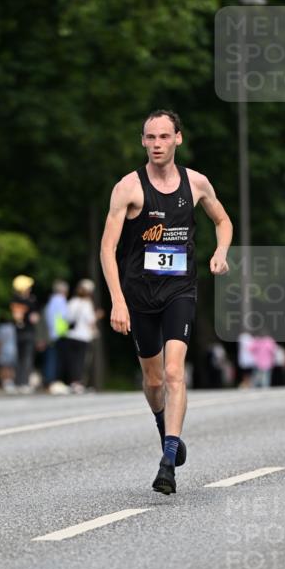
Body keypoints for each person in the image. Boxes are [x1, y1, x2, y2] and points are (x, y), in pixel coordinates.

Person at [100, 108, 233, 495]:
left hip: (180, 290)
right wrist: (117, 301)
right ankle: (165, 429)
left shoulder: (196, 183)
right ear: (143, 141)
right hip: (139, 295)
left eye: (164, 136)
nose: (157, 144)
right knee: (154, 380)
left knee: (174, 372)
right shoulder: (128, 187)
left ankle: (167, 462)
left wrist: (221, 252)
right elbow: (107, 249)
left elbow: (223, 221)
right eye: (150, 137)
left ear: (178, 138)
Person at [64, 279, 102, 393]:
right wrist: (97, 316)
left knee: (72, 360)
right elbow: (90, 320)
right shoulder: (87, 303)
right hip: (83, 336)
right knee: (81, 360)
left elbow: (67, 317)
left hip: (71, 334)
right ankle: (78, 383)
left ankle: (72, 382)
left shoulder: (72, 301)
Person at [10, 274, 40, 393]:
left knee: (19, 358)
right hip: (28, 332)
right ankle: (24, 383)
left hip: (18, 332)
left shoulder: (14, 301)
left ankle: (18, 383)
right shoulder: (31, 301)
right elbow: (34, 318)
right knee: (27, 358)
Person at [42, 279, 70, 386]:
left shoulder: (51, 301)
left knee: (51, 357)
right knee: (56, 359)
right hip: (60, 333)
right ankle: (53, 380)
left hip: (52, 333)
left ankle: (49, 380)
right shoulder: (60, 300)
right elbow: (65, 316)